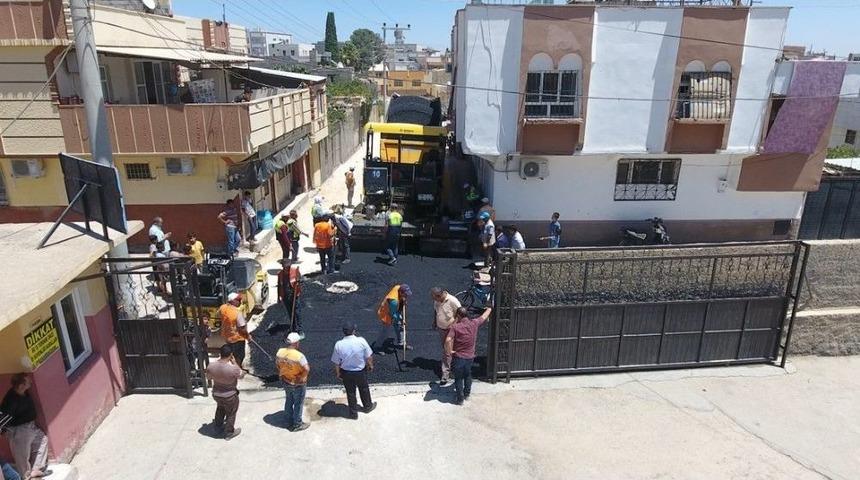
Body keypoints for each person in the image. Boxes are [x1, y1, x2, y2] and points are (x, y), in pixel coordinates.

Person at [1, 374, 49, 479]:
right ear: (21, 386)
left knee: (42, 440)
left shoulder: (23, 392)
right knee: (22, 456)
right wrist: (4, 431)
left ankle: (36, 469)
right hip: (20, 430)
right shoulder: (11, 400)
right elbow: (4, 417)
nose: (31, 383)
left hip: (31, 426)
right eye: (28, 382)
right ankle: (26, 477)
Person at [446, 307, 493, 405]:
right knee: (467, 375)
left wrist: (450, 351)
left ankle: (460, 399)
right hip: (470, 356)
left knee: (458, 378)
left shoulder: (455, 327)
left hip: (458, 356)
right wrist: (489, 309)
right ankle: (466, 394)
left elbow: (448, 339)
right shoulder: (474, 323)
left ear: (458, 316)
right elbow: (483, 317)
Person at [331, 321, 376, 420]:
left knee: (350, 392)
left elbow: (336, 362)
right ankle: (367, 406)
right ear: (354, 331)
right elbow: (369, 356)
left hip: (346, 373)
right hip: (360, 371)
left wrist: (338, 373)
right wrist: (370, 365)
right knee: (364, 388)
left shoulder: (339, 344)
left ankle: (353, 414)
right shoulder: (361, 341)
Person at [205, 344, 244, 440]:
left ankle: (217, 427)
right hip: (230, 396)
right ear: (231, 355)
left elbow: (208, 377)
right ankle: (229, 433)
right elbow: (241, 375)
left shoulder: (211, 366)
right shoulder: (233, 369)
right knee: (231, 413)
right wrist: (235, 363)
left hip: (216, 394)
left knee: (220, 408)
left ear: (220, 353)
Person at [276, 332, 310, 432]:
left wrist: (282, 373)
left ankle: (288, 420)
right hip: (297, 383)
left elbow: (277, 364)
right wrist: (302, 377)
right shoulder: (299, 356)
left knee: (289, 399)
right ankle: (297, 424)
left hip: (286, 380)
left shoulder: (280, 352)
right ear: (296, 343)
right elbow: (307, 369)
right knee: (298, 403)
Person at [431, 287, 461, 385]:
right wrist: (434, 322)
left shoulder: (453, 301)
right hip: (441, 329)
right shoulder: (437, 300)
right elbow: (436, 311)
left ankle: (446, 374)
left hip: (450, 330)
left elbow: (460, 314)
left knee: (447, 351)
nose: (434, 300)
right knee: (447, 350)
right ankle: (452, 367)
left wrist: (453, 326)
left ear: (439, 295)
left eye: (434, 297)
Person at [372, 284, 412, 354]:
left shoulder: (398, 287)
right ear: (401, 293)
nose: (407, 296)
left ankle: (401, 343)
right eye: (405, 295)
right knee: (385, 332)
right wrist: (401, 319)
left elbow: (398, 308)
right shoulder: (394, 302)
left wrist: (403, 301)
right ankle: (376, 347)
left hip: (393, 310)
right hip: (386, 315)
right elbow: (393, 314)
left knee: (399, 326)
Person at [271, 258, 303, 336]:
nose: (286, 268)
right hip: (285, 296)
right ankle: (293, 327)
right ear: (282, 266)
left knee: (296, 312)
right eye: (285, 266)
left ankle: (299, 329)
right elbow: (279, 286)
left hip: (294, 295)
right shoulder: (280, 274)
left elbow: (301, 281)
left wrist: (299, 282)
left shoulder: (295, 271)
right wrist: (278, 297)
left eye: (288, 267)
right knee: (290, 312)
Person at [219, 293, 249, 369]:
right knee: (239, 355)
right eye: (238, 300)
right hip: (237, 338)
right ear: (232, 301)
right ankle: (237, 369)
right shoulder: (237, 313)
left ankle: (232, 368)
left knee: (231, 354)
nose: (240, 301)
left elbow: (219, 315)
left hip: (227, 337)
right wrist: (248, 336)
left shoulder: (222, 308)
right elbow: (242, 328)